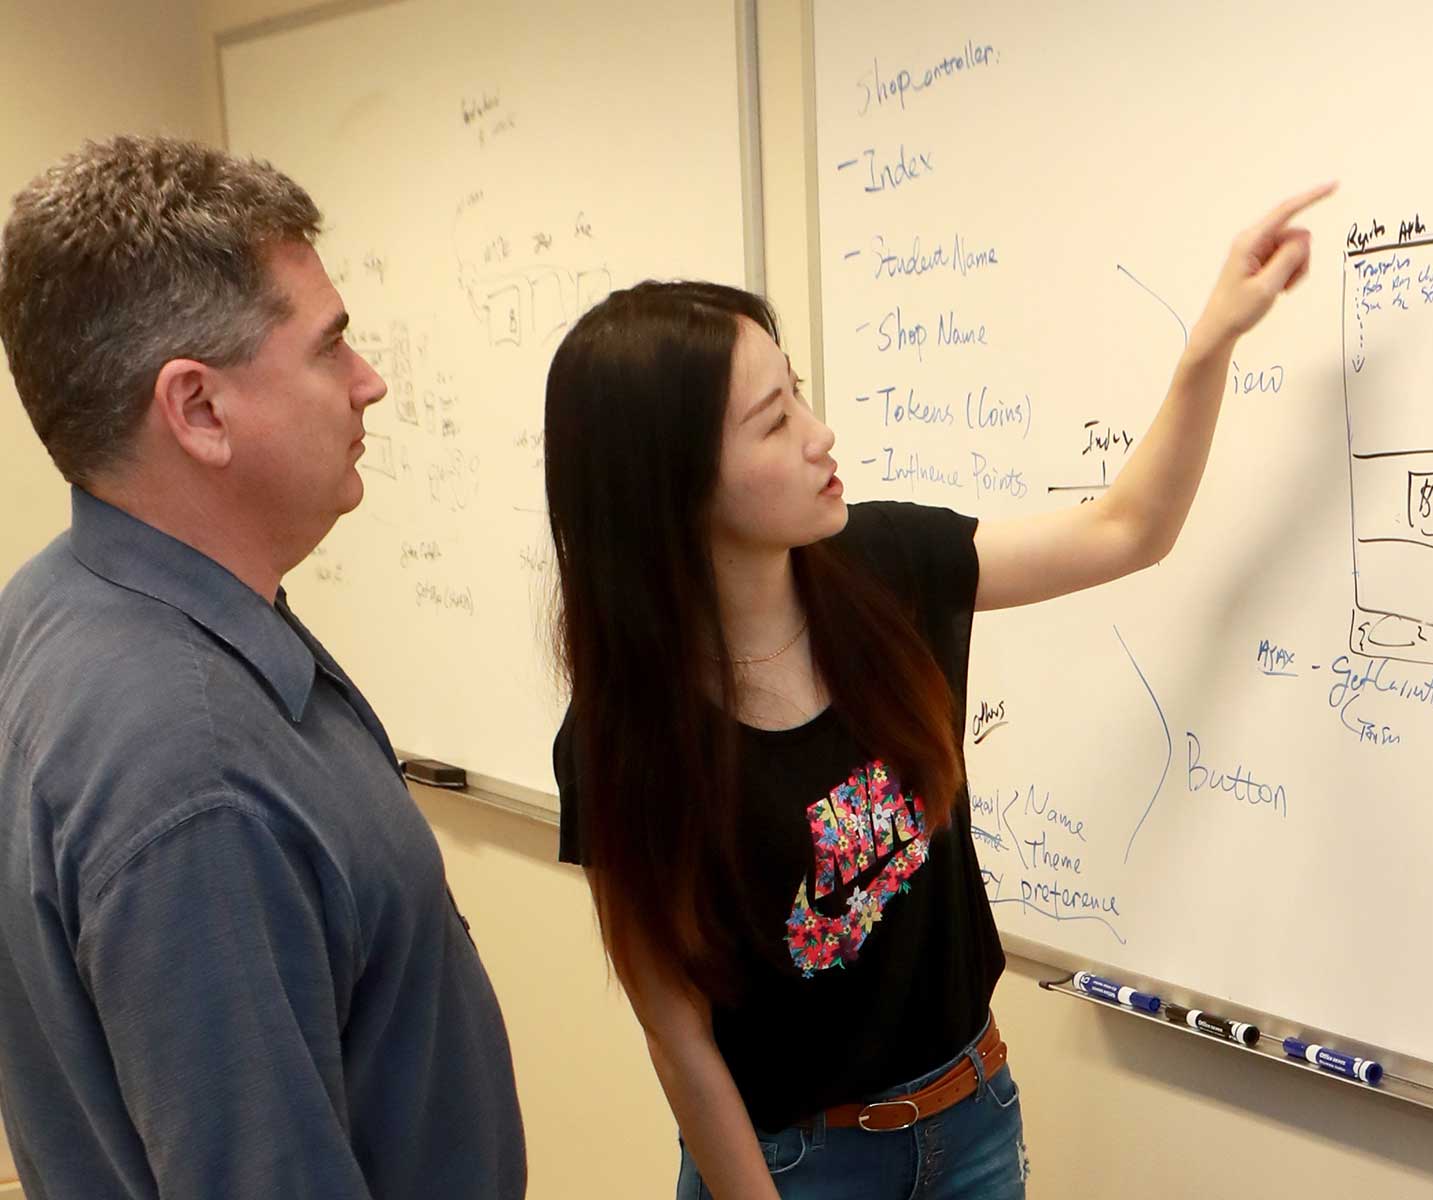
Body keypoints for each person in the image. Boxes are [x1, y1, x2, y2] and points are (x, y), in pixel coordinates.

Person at [545, 184, 1332, 1199]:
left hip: (970, 1128)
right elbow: (679, 1036)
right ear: (676, 481)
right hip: (793, 1163)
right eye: (775, 420)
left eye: (801, 393)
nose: (822, 435)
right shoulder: (625, 737)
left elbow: (1126, 531)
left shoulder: (887, 569)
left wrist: (1210, 342)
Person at [0, 135, 525, 1199]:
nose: (369, 383)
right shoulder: (195, 779)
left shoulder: (61, 605)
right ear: (198, 411)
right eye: (330, 347)